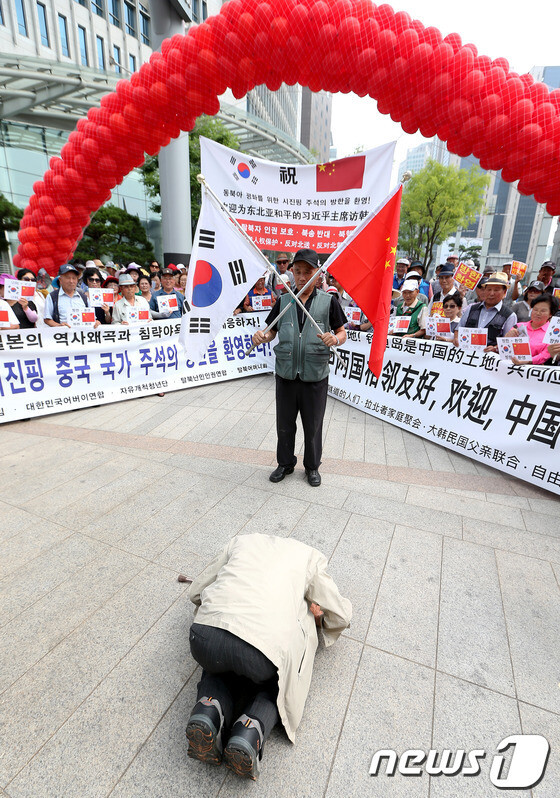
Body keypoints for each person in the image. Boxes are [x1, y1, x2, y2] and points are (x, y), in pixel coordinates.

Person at [185, 533, 352, 780]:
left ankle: (209, 708)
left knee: (218, 660)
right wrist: (320, 618)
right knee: (276, 685)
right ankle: (249, 732)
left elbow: (196, 591)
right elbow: (341, 616)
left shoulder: (241, 540)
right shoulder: (309, 557)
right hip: (260, 655)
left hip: (203, 638)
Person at [251, 249, 347, 487]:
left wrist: (335, 339)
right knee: (284, 424)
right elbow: (271, 331)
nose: (302, 277)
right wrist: (262, 336)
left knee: (313, 425)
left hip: (315, 374)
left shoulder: (328, 301)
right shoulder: (284, 301)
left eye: (307, 272)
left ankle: (312, 466)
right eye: (298, 272)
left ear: (318, 273)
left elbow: (342, 332)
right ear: (292, 273)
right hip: (286, 373)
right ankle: (285, 463)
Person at [456, 271, 517, 351]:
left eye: (496, 290)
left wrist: (495, 348)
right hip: (467, 354)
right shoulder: (471, 309)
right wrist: (456, 338)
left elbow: (509, 343)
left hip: (489, 357)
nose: (491, 293)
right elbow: (458, 329)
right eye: (489, 289)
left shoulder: (509, 316)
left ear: (504, 292)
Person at [505, 294, 558, 365]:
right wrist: (506, 338)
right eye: (535, 309)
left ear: (550, 314)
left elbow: (545, 355)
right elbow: (505, 348)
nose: (538, 313)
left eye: (543, 311)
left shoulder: (552, 333)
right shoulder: (519, 326)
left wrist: (527, 361)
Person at [44, 263, 100, 327]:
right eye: (68, 278)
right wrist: (59, 326)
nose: (71, 281)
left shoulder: (84, 298)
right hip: (62, 332)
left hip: (82, 332)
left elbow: (92, 318)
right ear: (60, 280)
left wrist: (96, 322)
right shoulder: (52, 297)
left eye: (74, 278)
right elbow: (47, 319)